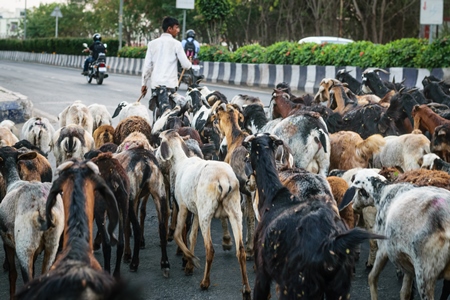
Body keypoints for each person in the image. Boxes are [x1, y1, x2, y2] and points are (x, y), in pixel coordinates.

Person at [141, 17, 192, 109]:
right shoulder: (177, 44)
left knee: (157, 114)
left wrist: (144, 84)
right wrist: (190, 63)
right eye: (176, 27)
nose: (178, 30)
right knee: (172, 113)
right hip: (170, 86)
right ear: (169, 29)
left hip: (156, 86)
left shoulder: (152, 44)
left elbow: (147, 67)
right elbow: (185, 65)